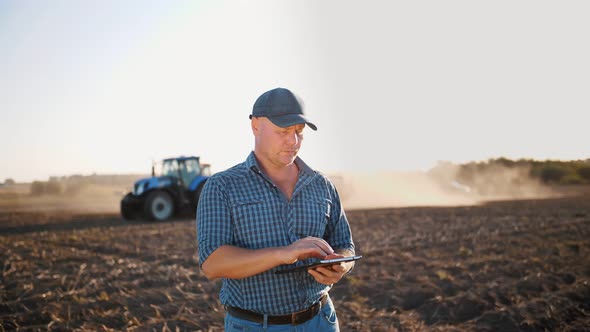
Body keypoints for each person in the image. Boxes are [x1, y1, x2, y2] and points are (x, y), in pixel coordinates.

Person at [196, 87, 356, 331]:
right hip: (256, 326)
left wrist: (341, 265)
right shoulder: (222, 186)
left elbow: (345, 244)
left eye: (299, 133)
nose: (293, 141)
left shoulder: (322, 185)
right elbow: (212, 264)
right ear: (256, 126)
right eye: (283, 131)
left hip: (321, 320)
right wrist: (284, 253)